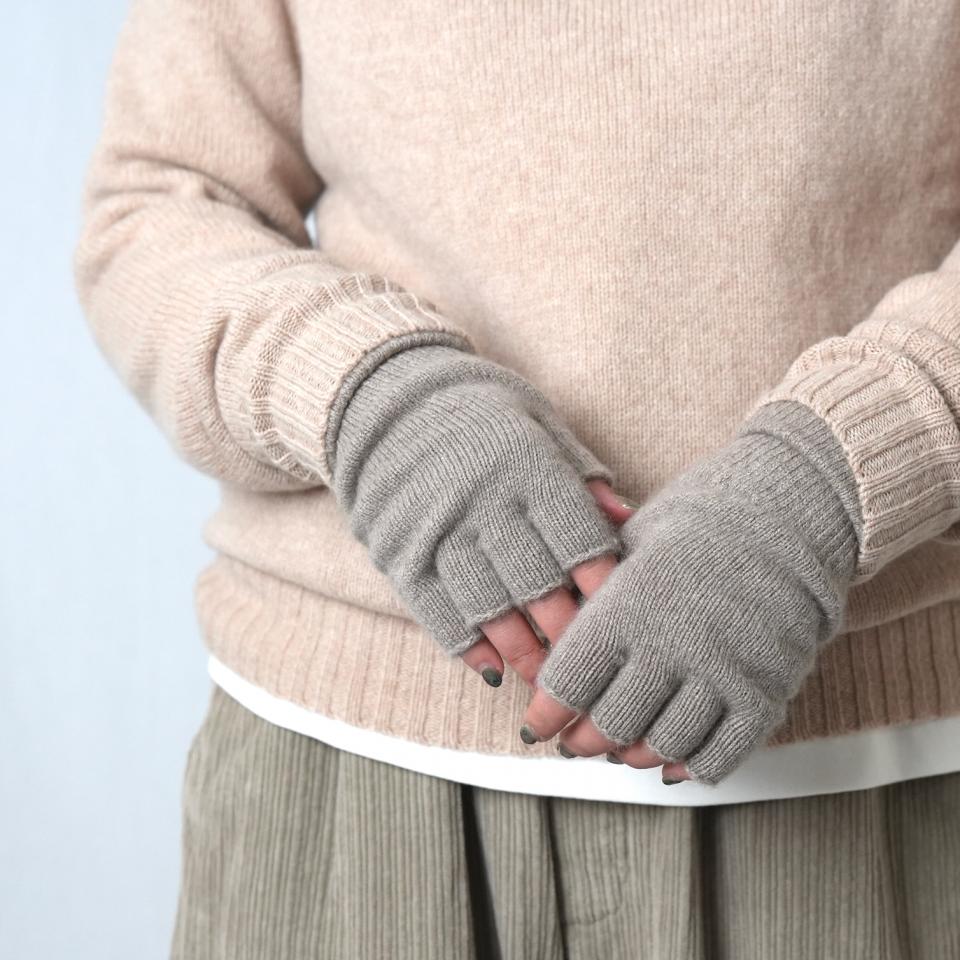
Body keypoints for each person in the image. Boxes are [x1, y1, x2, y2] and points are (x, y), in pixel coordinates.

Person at [75, 0, 960, 956]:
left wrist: (828, 480)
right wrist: (371, 394)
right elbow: (160, 200)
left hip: (872, 780)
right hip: (348, 776)